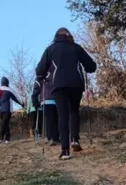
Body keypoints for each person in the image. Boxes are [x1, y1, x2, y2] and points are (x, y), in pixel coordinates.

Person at [35, 29, 96, 160]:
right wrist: (88, 68)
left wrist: (42, 76)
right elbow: (91, 66)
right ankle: (75, 139)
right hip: (76, 84)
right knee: (74, 111)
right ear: (69, 36)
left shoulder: (50, 49)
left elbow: (40, 70)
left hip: (58, 85)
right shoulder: (76, 47)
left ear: (56, 36)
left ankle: (65, 150)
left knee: (62, 115)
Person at [31, 73, 59, 144]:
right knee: (56, 119)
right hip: (57, 99)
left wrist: (35, 103)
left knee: (49, 119)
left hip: (46, 100)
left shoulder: (40, 76)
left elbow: (36, 89)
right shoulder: (55, 72)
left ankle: (51, 137)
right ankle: (55, 137)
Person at [0, 76, 23, 143]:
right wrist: (22, 104)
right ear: (7, 83)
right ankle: (0, 137)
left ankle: (7, 138)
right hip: (7, 109)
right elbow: (16, 98)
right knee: (4, 123)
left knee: (5, 123)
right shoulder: (9, 90)